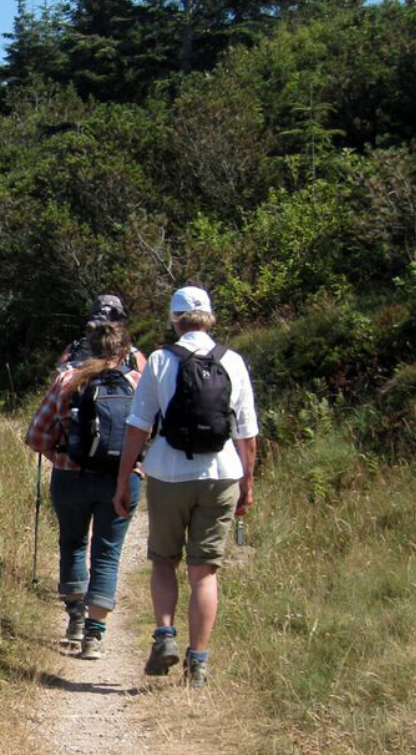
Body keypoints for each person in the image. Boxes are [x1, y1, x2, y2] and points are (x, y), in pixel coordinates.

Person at [113, 286, 257, 688]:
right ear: (209, 317)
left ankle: (165, 635)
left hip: (168, 473)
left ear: (174, 320)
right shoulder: (233, 361)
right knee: (204, 573)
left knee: (164, 561)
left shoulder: (160, 360)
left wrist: (124, 478)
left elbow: (138, 426)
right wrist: (247, 482)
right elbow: (247, 434)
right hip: (222, 474)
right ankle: (199, 664)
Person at [27, 321, 143, 659]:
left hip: (71, 477)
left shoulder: (67, 380)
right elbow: (153, 432)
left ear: (89, 348)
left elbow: (36, 436)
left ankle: (76, 620)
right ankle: (94, 634)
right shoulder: (137, 382)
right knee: (107, 552)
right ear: (124, 351)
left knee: (73, 543)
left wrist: (61, 457)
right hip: (120, 479)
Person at [58, 295, 146, 372]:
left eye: (106, 331)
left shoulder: (132, 356)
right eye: (98, 330)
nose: (100, 337)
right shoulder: (74, 349)